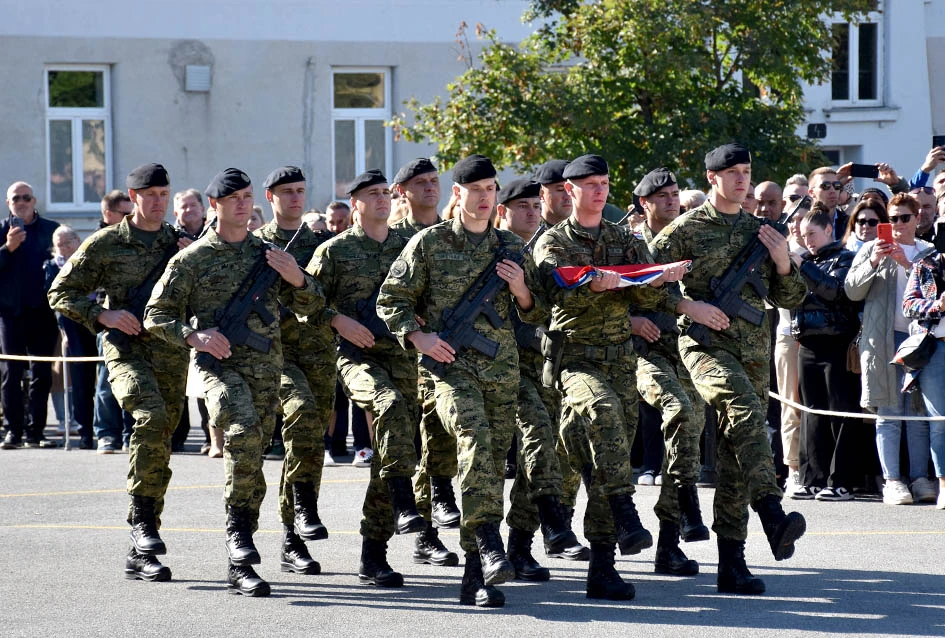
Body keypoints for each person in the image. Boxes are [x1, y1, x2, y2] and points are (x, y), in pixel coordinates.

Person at [144, 167, 322, 597]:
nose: (243, 204)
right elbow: (156, 314)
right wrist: (194, 336)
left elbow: (312, 304)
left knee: (253, 457)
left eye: (246, 197)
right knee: (241, 435)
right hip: (219, 368)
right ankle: (239, 545)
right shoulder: (193, 259)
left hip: (266, 371)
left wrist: (297, 278)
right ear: (215, 206)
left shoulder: (268, 253)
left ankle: (241, 548)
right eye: (233, 198)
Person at [378, 154, 544, 608]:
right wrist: (418, 336)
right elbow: (390, 298)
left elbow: (538, 312)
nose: (486, 198)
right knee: (472, 438)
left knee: (489, 463)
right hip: (447, 371)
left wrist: (521, 290)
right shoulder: (431, 244)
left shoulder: (511, 248)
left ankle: (477, 575)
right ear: (459, 195)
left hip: (501, 372)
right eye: (477, 190)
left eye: (491, 190)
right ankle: (490, 538)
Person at [651, 143, 808, 596]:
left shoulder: (762, 231)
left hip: (754, 351)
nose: (742, 179)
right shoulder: (686, 229)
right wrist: (686, 305)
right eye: (732, 172)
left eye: (747, 171)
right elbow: (640, 285)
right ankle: (771, 510)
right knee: (744, 414)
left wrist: (782, 261)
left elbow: (792, 298)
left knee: (737, 453)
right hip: (704, 347)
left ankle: (731, 562)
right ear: (711, 178)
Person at [533, 155, 692, 601]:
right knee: (601, 417)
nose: (600, 191)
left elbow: (645, 285)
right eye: (590, 184)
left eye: (604, 182)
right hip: (575, 361)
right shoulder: (555, 242)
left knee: (611, 454)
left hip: (621, 361)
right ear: (569, 191)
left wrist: (662, 279)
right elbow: (557, 284)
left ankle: (603, 566)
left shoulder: (625, 238)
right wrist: (594, 283)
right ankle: (625, 508)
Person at [48, 164, 188, 582]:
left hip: (169, 354)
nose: (159, 201)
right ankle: (143, 526)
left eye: (165, 193)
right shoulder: (107, 243)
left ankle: (140, 546)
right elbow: (60, 292)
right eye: (151, 194)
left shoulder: (179, 243)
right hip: (125, 351)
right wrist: (103, 314)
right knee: (151, 419)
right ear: (133, 196)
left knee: (160, 443)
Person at [309, 168, 428, 588]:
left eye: (384, 193)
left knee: (392, 452)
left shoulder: (408, 245)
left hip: (403, 357)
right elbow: (303, 304)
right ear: (354, 202)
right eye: (371, 194)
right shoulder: (334, 251)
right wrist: (337, 320)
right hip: (354, 356)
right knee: (388, 405)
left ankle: (373, 554)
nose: (381, 200)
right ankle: (403, 503)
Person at [494, 178, 584, 581]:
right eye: (522, 207)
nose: (531, 213)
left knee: (545, 452)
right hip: (497, 367)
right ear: (504, 211)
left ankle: (520, 546)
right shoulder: (492, 249)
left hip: (543, 366)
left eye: (535, 205)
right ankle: (535, 529)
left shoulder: (550, 248)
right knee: (534, 440)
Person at [255, 166, 335, 576]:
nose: (295, 198)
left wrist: (300, 279)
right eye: (286, 192)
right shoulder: (254, 247)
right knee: (301, 414)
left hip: (320, 355)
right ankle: (300, 516)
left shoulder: (322, 244)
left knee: (309, 443)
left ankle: (293, 537)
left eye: (301, 191)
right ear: (270, 197)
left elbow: (331, 303)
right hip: (275, 355)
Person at [633, 167, 712, 576]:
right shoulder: (629, 244)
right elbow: (609, 294)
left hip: (685, 351)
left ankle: (670, 541)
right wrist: (631, 321)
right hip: (642, 353)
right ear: (644, 203)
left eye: (675, 193)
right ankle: (686, 504)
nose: (670, 200)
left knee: (691, 427)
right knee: (678, 408)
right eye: (661, 196)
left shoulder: (692, 240)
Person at [388, 158, 462, 568]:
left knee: (439, 434)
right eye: (421, 182)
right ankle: (426, 531)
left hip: (449, 351)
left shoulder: (454, 233)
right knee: (416, 442)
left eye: (435, 181)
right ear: (403, 191)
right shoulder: (393, 237)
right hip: (402, 354)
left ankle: (435, 515)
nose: (430, 188)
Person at [845, 193, 938, 506]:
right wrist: (874, 261)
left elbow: (935, 292)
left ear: (916, 219)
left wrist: (906, 263)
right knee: (888, 411)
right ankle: (893, 480)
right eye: (892, 219)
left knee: (918, 412)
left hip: (920, 339)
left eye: (903, 218)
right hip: (882, 339)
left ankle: (921, 477)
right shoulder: (872, 248)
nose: (897, 225)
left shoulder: (928, 252)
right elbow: (852, 290)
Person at [790, 205, 862, 501]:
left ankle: (841, 479)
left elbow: (834, 291)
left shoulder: (846, 257)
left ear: (829, 230)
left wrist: (801, 265)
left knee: (840, 412)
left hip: (836, 342)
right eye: (803, 235)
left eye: (813, 233)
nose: (808, 240)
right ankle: (812, 477)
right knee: (811, 413)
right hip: (807, 343)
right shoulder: (804, 260)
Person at [1, 181, 60, 449]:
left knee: (41, 374)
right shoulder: (2, 231)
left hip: (43, 314)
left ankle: (36, 431)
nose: (22, 202)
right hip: (10, 315)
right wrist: (7, 249)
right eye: (16, 198)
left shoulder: (51, 230)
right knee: (11, 374)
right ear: (8, 204)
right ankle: (13, 430)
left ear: (34, 201)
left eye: (27, 197)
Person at [43, 226, 96, 449]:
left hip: (98, 323)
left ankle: (111, 431)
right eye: (59, 245)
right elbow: (52, 299)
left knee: (106, 382)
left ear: (77, 240)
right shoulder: (52, 267)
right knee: (81, 382)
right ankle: (85, 433)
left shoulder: (92, 260)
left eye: (67, 242)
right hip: (71, 328)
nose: (64, 248)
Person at [902, 246, 945, 509]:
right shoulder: (925, 264)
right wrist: (937, 305)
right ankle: (944, 485)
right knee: (939, 420)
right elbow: (908, 305)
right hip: (935, 348)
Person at [533, 159, 573, 226]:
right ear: (541, 194)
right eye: (560, 189)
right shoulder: (527, 231)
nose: (568, 196)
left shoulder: (588, 230)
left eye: (571, 189)